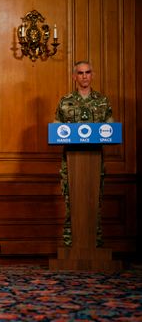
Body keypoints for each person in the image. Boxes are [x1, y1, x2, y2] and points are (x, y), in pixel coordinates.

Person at [54, 60, 113, 247]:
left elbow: (110, 128)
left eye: (88, 72)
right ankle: (71, 243)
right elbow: (56, 127)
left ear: (92, 75)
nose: (84, 76)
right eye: (80, 73)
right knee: (71, 201)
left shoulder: (102, 101)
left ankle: (95, 242)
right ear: (74, 77)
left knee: (95, 201)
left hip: (95, 161)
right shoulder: (65, 101)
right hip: (71, 162)